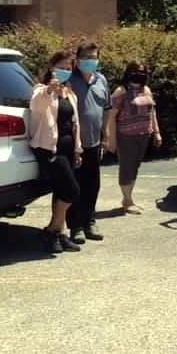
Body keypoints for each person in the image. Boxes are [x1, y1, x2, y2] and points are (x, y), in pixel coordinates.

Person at [29, 50, 83, 253]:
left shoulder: (69, 93)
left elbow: (75, 123)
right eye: (61, 68)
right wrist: (49, 90)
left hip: (69, 149)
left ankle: (58, 233)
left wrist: (78, 149)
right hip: (50, 149)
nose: (64, 71)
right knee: (72, 190)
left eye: (68, 68)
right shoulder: (41, 90)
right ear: (52, 68)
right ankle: (51, 230)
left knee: (61, 191)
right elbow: (36, 106)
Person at [67, 42, 111, 244]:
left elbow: (107, 109)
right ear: (77, 59)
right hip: (74, 144)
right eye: (85, 57)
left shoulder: (101, 80)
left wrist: (106, 134)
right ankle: (75, 226)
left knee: (92, 185)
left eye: (93, 57)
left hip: (94, 143)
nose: (90, 61)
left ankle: (89, 221)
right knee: (74, 186)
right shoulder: (68, 80)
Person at [106, 61, 161, 214]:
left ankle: (129, 198)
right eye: (137, 71)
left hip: (144, 134)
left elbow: (152, 112)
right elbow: (111, 117)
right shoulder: (121, 91)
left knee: (135, 167)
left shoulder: (146, 90)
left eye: (143, 71)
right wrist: (110, 139)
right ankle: (127, 200)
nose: (140, 74)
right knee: (126, 167)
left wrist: (156, 132)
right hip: (126, 136)